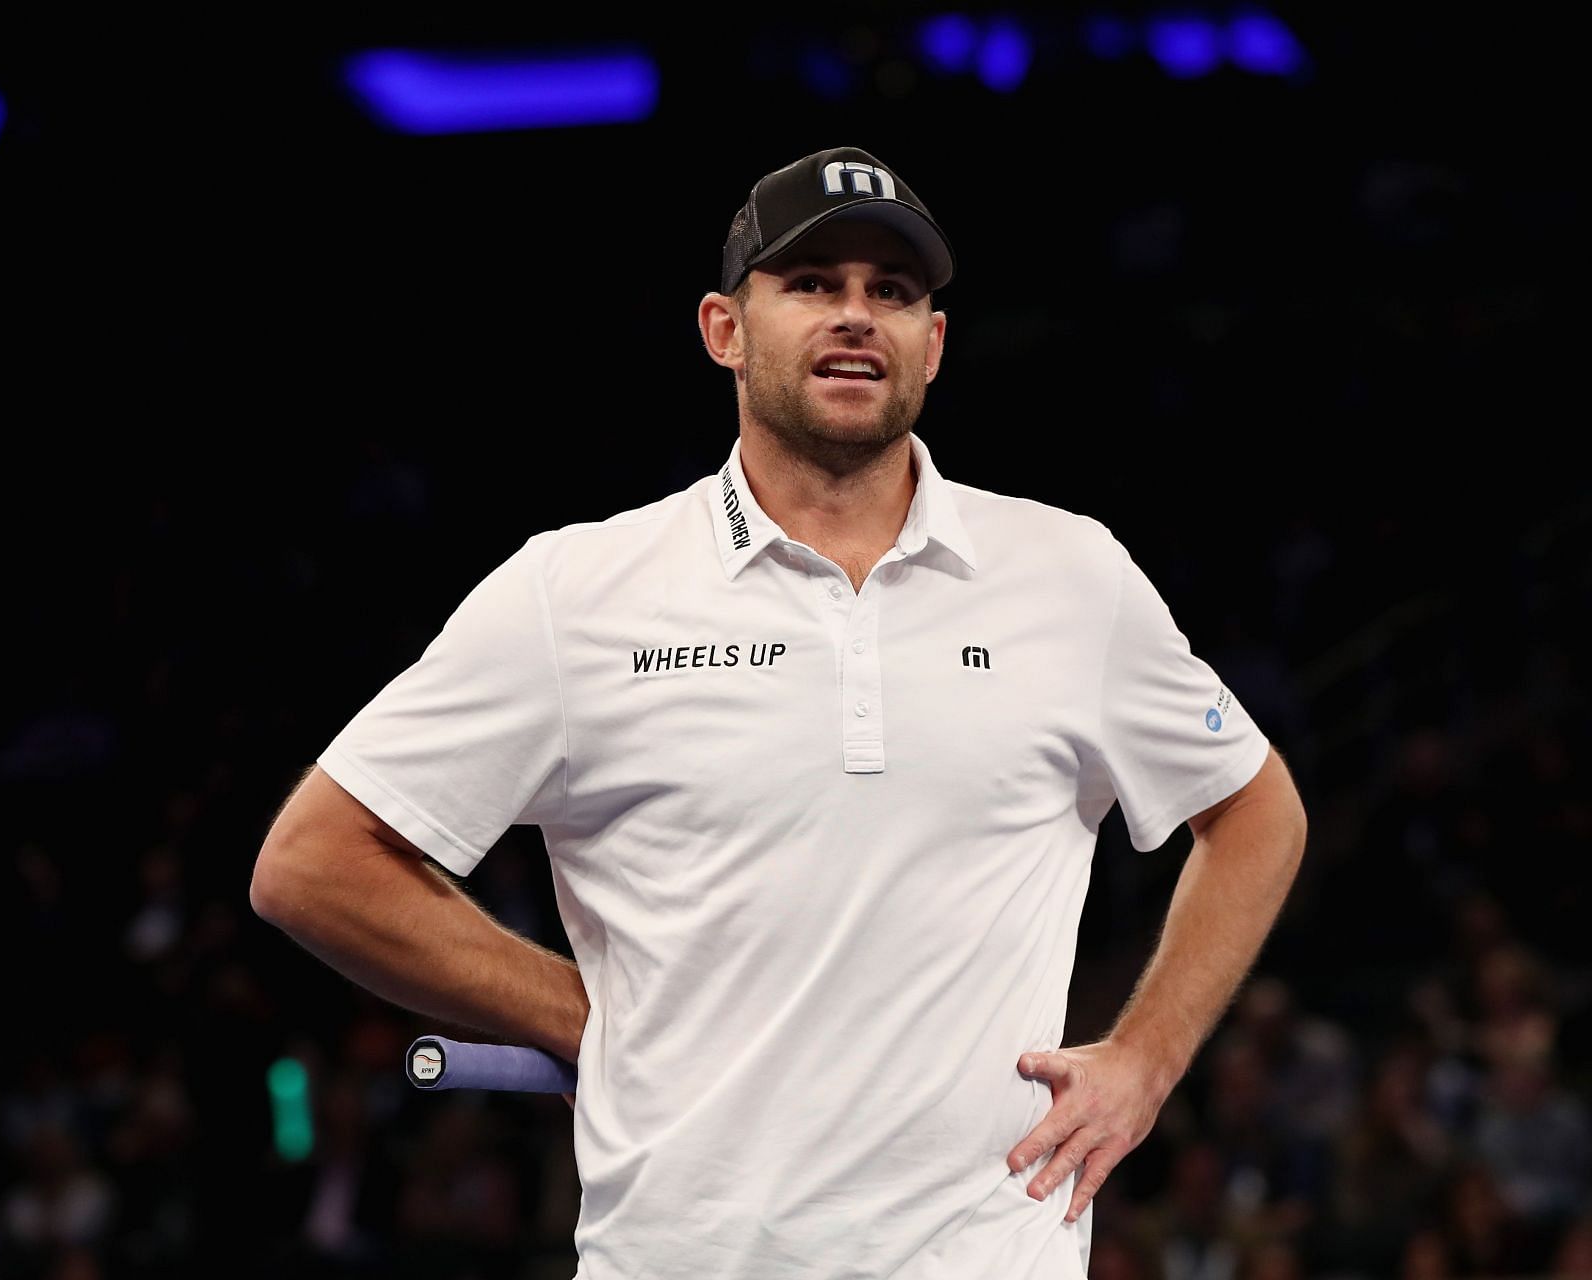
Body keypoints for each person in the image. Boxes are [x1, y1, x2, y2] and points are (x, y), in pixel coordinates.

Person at [250, 145, 1309, 1279]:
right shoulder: (577, 592)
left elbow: (1255, 807)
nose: (857, 316)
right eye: (811, 284)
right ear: (724, 329)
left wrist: (1147, 1057)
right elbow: (313, 862)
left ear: (934, 344)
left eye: (892, 293)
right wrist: (580, 1009)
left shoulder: (1068, 574)